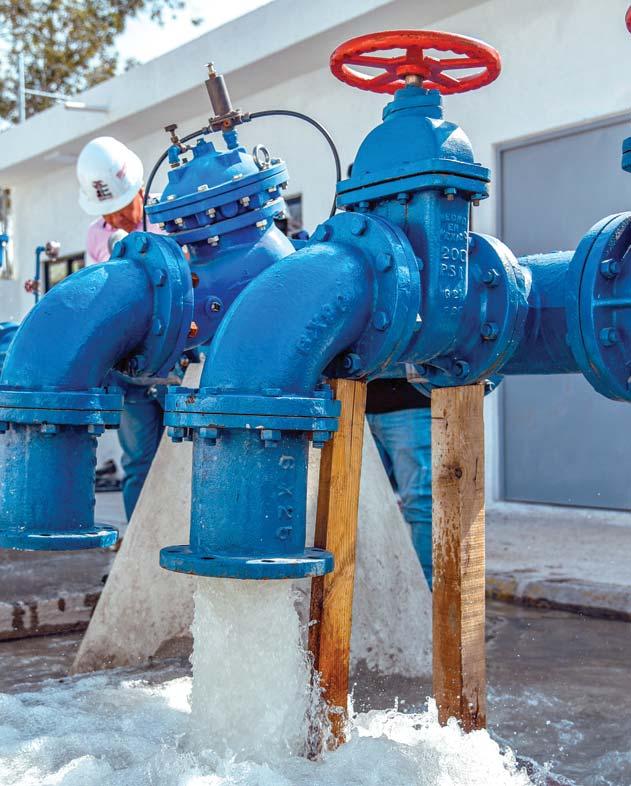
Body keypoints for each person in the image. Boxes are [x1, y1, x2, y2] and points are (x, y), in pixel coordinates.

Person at [77, 137, 168, 519]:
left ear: (139, 191)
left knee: (188, 455)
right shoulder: (97, 235)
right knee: (138, 462)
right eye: (107, 214)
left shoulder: (172, 214)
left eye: (120, 209)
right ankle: (138, 546)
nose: (115, 221)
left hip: (180, 358)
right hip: (131, 365)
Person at [366, 375, 433, 588]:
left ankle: (425, 592)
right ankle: (377, 588)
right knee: (359, 507)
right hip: (355, 402)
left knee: (422, 504)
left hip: (412, 403)